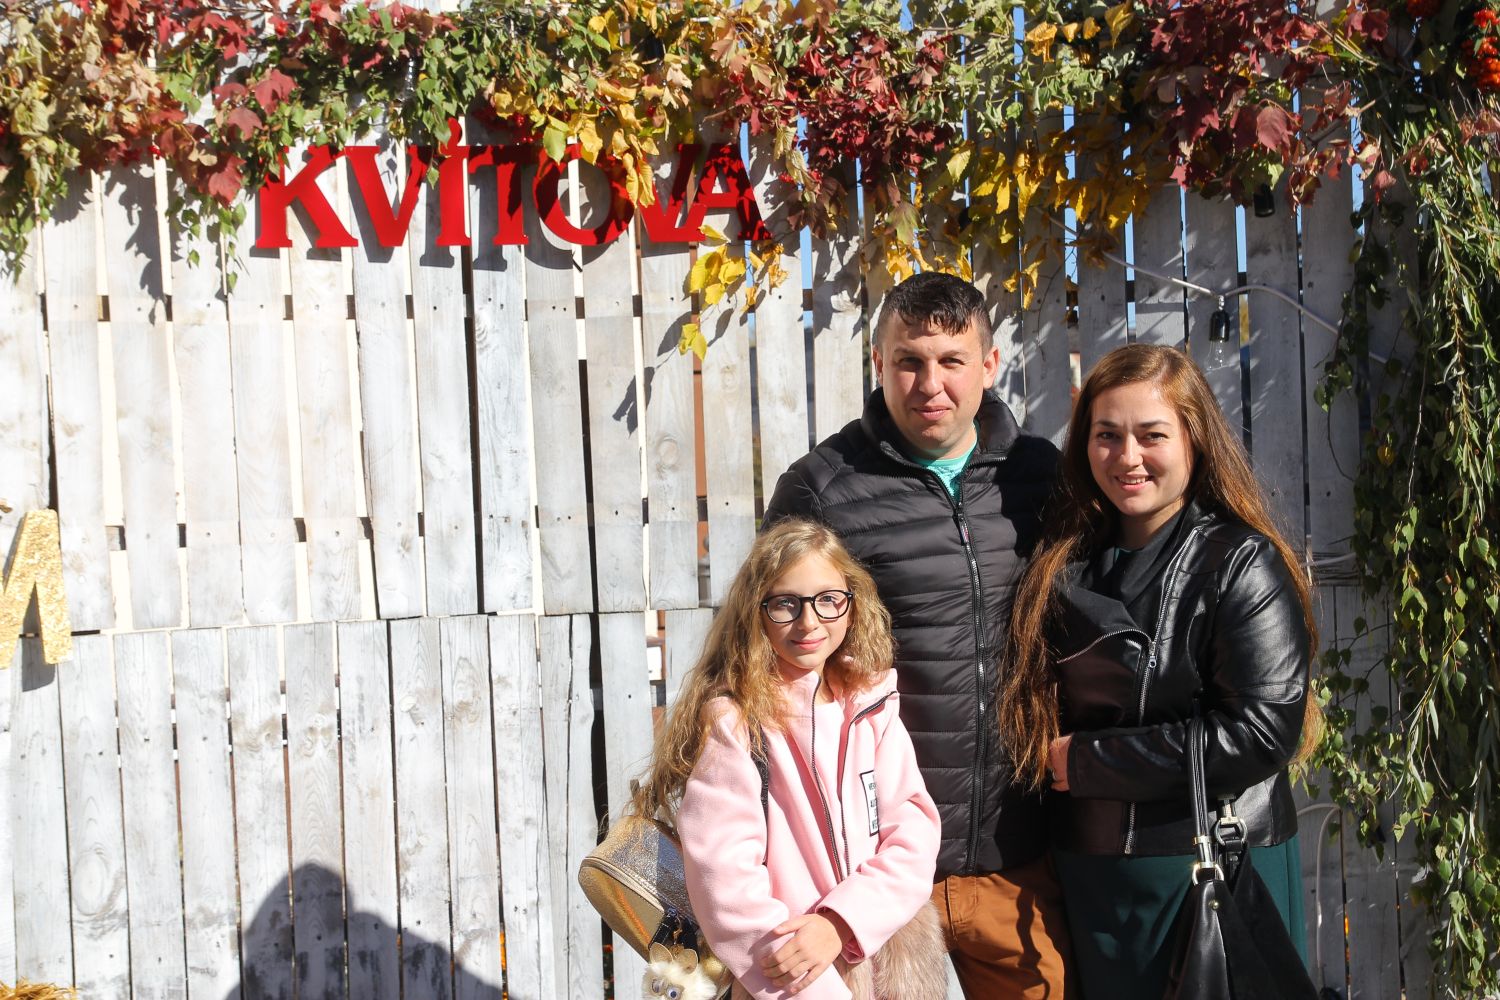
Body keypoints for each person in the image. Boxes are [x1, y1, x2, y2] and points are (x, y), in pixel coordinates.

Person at [762, 271, 1070, 997]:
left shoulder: (1039, 478)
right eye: (909, 361)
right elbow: (764, 662)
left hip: (1017, 855)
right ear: (879, 364)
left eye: (951, 360)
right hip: (874, 872)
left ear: (988, 365)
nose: (931, 384)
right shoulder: (822, 488)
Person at [998, 343, 1320, 1000]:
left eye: (1152, 436)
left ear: (1195, 440)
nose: (1127, 457)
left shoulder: (1240, 563)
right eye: (1107, 436)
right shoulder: (1064, 560)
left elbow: (1262, 732)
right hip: (1094, 875)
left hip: (1211, 865)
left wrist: (1090, 762)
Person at [631, 518, 947, 1000]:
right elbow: (726, 885)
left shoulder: (871, 705)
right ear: (755, 612)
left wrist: (841, 923)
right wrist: (813, 986)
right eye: (785, 604)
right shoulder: (737, 725)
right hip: (792, 981)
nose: (809, 622)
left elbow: (914, 835)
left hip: (892, 963)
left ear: (852, 604)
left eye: (828, 599)